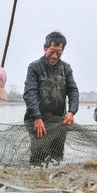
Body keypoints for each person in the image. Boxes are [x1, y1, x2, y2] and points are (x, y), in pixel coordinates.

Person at [23, 31, 79, 165]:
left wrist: (71, 112)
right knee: (38, 156)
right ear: (45, 48)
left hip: (60, 121)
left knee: (57, 157)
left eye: (59, 53)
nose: (54, 56)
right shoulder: (34, 67)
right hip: (39, 121)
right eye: (52, 51)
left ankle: (53, 181)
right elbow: (29, 93)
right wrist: (37, 117)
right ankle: (36, 181)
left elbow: (73, 91)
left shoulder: (66, 68)